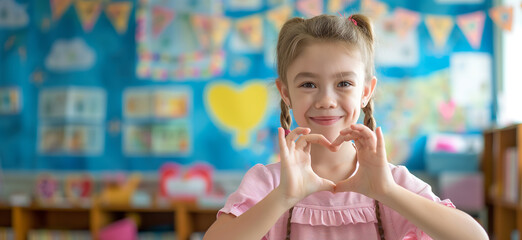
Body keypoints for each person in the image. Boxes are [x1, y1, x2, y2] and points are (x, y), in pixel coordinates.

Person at [203, 14, 488, 240]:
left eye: (344, 84)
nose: (326, 100)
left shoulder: (390, 181)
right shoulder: (269, 185)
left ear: (366, 91)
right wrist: (284, 197)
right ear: (285, 92)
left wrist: (387, 191)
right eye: (308, 84)